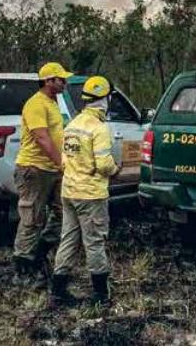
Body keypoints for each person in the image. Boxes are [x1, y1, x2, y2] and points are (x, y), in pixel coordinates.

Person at [52, 76, 119, 306]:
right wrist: (115, 169)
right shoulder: (99, 128)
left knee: (68, 239)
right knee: (95, 242)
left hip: (69, 192)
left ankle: (57, 291)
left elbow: (64, 161)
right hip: (91, 195)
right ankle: (101, 294)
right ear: (105, 100)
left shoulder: (72, 125)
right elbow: (104, 165)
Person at [13, 62, 71, 281]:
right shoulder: (36, 104)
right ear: (48, 81)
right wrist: (61, 163)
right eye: (61, 79)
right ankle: (23, 268)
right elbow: (41, 137)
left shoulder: (54, 103)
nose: (64, 83)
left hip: (53, 169)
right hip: (34, 168)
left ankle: (39, 255)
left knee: (63, 213)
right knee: (32, 218)